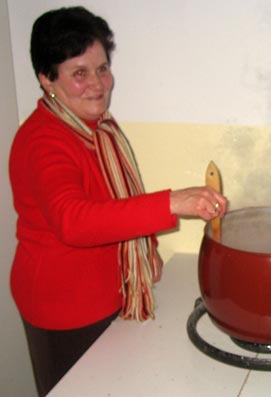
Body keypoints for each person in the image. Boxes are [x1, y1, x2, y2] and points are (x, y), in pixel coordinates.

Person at [8, 6, 227, 396]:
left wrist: (147, 251)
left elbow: (116, 198)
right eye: (79, 72)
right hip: (63, 308)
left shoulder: (99, 127)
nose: (98, 84)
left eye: (102, 68)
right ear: (46, 79)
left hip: (112, 292)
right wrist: (173, 202)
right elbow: (73, 221)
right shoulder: (43, 140)